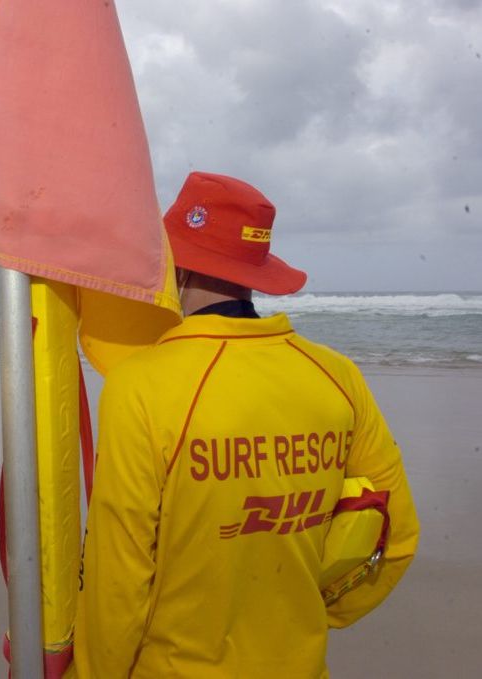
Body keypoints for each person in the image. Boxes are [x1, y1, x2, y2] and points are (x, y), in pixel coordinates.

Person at [75, 171, 419, 678]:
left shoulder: (140, 385)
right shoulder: (335, 374)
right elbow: (398, 533)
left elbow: (118, 573)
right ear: (254, 271)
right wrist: (313, 616)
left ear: (175, 268)